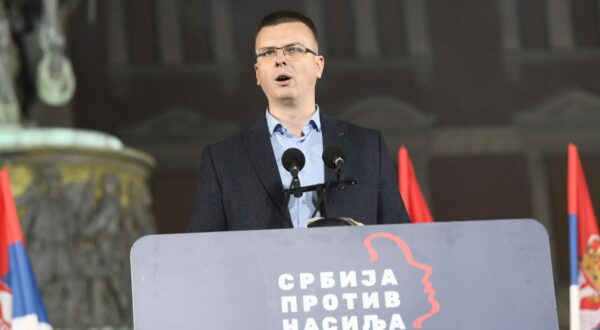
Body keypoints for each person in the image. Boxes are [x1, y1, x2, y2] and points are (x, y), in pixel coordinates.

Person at [188, 10, 410, 232]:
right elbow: (202, 250)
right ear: (257, 72)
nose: (280, 60)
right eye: (267, 53)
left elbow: (401, 237)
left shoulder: (366, 146)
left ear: (318, 65)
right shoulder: (223, 160)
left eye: (293, 49)